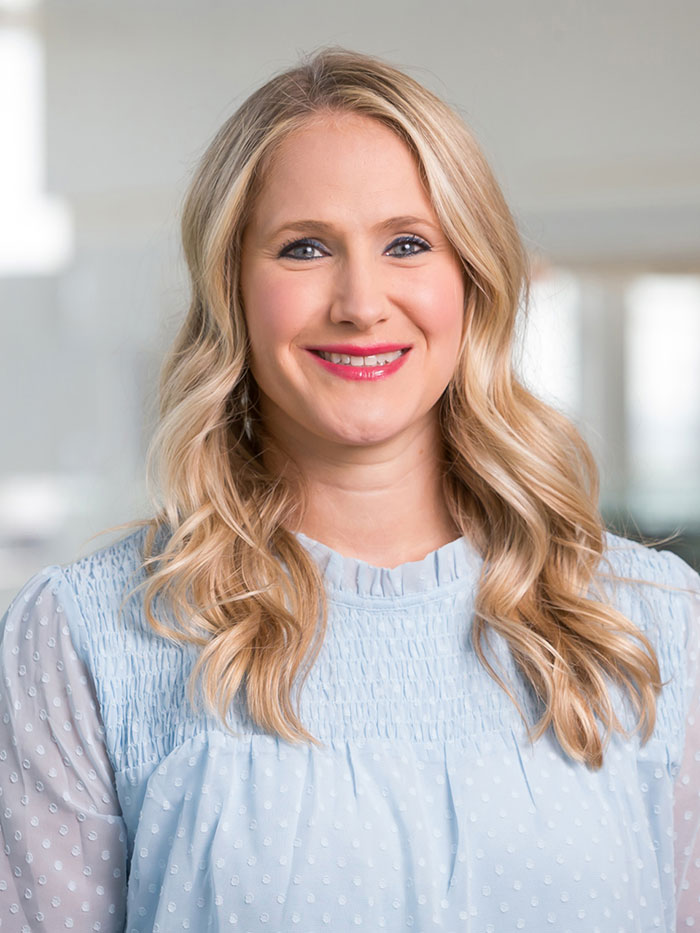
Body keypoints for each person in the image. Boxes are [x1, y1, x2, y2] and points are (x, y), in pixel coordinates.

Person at [1, 47, 699, 932]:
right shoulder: (84, 635)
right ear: (233, 290)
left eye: (408, 243)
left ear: (471, 283)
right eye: (304, 248)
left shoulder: (657, 620)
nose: (361, 301)